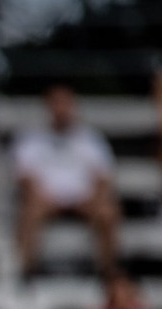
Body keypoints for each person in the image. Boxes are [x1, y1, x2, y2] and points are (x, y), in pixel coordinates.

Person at [13, 86, 119, 278]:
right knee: (30, 211)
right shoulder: (32, 139)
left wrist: (93, 197)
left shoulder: (90, 138)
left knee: (108, 212)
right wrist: (42, 196)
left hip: (84, 200)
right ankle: (27, 270)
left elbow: (103, 177)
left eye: (65, 104)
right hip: (46, 199)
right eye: (56, 104)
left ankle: (108, 271)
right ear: (48, 107)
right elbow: (25, 178)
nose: (61, 109)